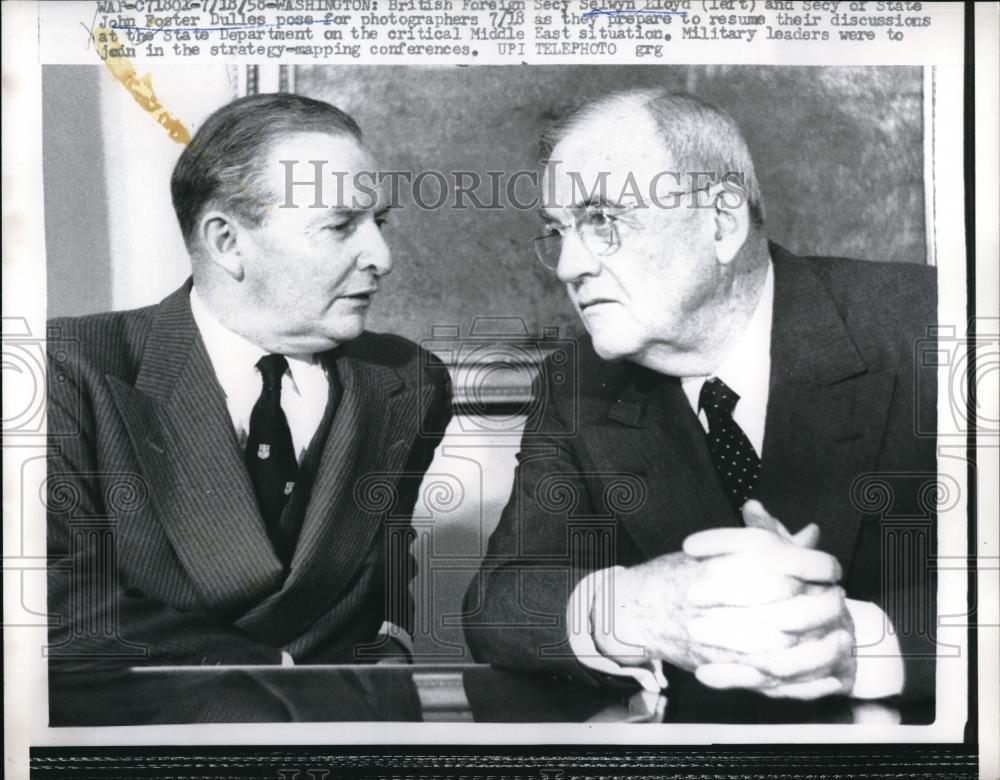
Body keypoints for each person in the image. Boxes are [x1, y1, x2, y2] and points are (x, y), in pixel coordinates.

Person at [463, 90, 937, 704]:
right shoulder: (575, 382)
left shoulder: (934, 325)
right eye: (559, 231)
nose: (567, 266)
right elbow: (502, 601)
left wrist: (861, 645)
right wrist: (636, 607)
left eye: (602, 220)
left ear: (721, 221)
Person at [46, 93, 452, 690]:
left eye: (379, 223)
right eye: (341, 226)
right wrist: (281, 680)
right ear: (227, 242)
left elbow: (385, 556)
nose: (383, 257)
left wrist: (391, 643)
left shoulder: (408, 381)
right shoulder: (69, 370)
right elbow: (56, 610)